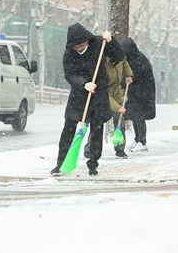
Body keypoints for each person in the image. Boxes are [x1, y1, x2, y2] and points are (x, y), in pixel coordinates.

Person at [50, 23, 125, 176]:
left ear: (87, 40)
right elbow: (69, 74)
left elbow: (119, 56)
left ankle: (93, 164)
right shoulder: (69, 52)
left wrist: (111, 41)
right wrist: (84, 83)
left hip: (99, 94)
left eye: (81, 45)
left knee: (96, 130)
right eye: (75, 46)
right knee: (68, 129)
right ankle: (61, 163)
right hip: (79, 95)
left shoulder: (99, 43)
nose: (78, 48)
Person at [120, 37, 156, 152]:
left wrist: (122, 83)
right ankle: (137, 139)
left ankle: (143, 142)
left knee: (139, 117)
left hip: (143, 93)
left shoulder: (138, 60)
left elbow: (132, 77)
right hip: (136, 92)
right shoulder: (133, 58)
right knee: (135, 116)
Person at [107, 57, 134, 158]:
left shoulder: (119, 55)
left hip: (117, 92)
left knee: (119, 120)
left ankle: (120, 149)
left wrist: (128, 74)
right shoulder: (101, 58)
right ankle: (90, 149)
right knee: (96, 123)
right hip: (102, 94)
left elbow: (124, 61)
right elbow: (105, 94)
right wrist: (117, 107)